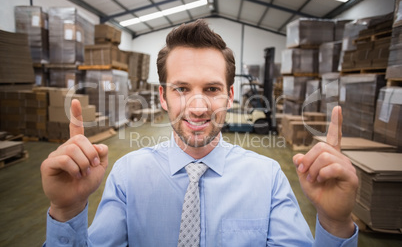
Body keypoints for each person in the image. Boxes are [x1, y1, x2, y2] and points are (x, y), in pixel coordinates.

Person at [41, 19, 359, 246]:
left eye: (211, 89)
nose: (197, 107)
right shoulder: (128, 177)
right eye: (181, 88)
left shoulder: (267, 178)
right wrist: (67, 212)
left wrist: (334, 225)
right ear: (163, 96)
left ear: (230, 95)